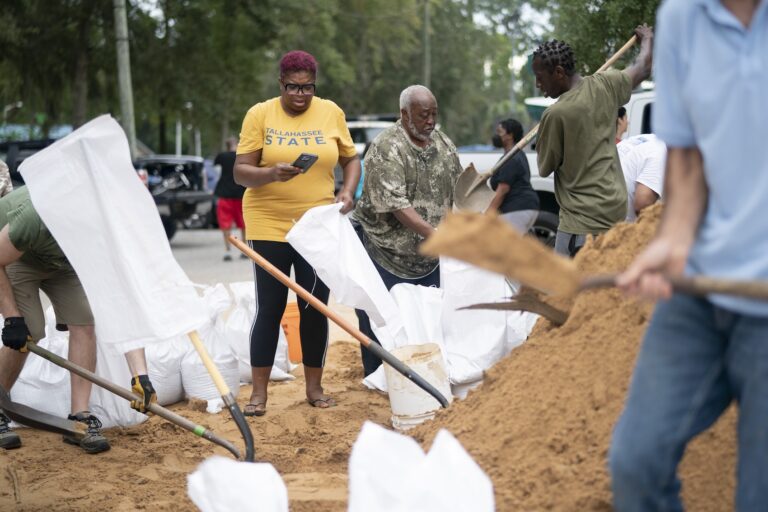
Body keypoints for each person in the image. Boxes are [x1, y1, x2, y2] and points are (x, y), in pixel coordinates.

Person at [609, 1, 768, 510]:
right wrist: (673, 240)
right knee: (636, 463)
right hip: (699, 291)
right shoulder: (681, 17)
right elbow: (687, 154)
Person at [234, 50, 361, 416]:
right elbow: (241, 172)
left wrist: (348, 191)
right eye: (293, 87)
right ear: (281, 84)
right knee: (270, 306)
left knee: (314, 307)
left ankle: (314, 387)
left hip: (316, 225)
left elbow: (351, 159)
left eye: (307, 87)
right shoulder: (260, 114)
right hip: (268, 222)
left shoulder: (331, 112)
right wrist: (271, 173)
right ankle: (258, 394)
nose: (301, 94)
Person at [0, 186, 156, 452]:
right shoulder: (35, 216)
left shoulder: (105, 231)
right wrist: (12, 318)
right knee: (30, 331)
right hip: (17, 258)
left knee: (85, 322)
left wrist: (140, 375)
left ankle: (79, 418)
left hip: (64, 264)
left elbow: (121, 306)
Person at [352, 84, 462, 376]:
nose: (430, 121)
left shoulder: (444, 145)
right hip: (384, 252)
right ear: (404, 114)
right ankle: (377, 377)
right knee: (381, 321)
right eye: (423, 115)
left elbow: (458, 190)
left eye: (434, 114)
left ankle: (422, 374)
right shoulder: (386, 147)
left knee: (427, 320)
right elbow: (397, 205)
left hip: (427, 256)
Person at [533, 25, 654, 257]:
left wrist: (544, 135)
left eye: (540, 78)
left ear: (559, 72)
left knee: (567, 291)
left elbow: (545, 167)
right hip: (615, 218)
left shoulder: (556, 114)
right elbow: (643, 67)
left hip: (580, 228)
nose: (539, 85)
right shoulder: (605, 85)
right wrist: (647, 39)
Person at [487, 118, 540, 233]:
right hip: (525, 207)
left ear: (510, 135)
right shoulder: (518, 155)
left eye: (500, 132)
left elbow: (503, 189)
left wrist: (488, 214)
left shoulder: (511, 158)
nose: (497, 135)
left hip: (516, 209)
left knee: (506, 248)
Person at [617, 133, 666, 221]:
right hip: (604, 226)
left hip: (591, 209)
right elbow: (642, 206)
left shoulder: (642, 139)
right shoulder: (662, 153)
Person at [213, 137, 246, 261]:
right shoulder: (242, 156)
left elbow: (216, 172)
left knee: (225, 224)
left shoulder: (221, 156)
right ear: (238, 144)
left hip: (224, 194)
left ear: (227, 146)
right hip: (240, 194)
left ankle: (228, 251)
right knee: (244, 224)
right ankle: (245, 250)